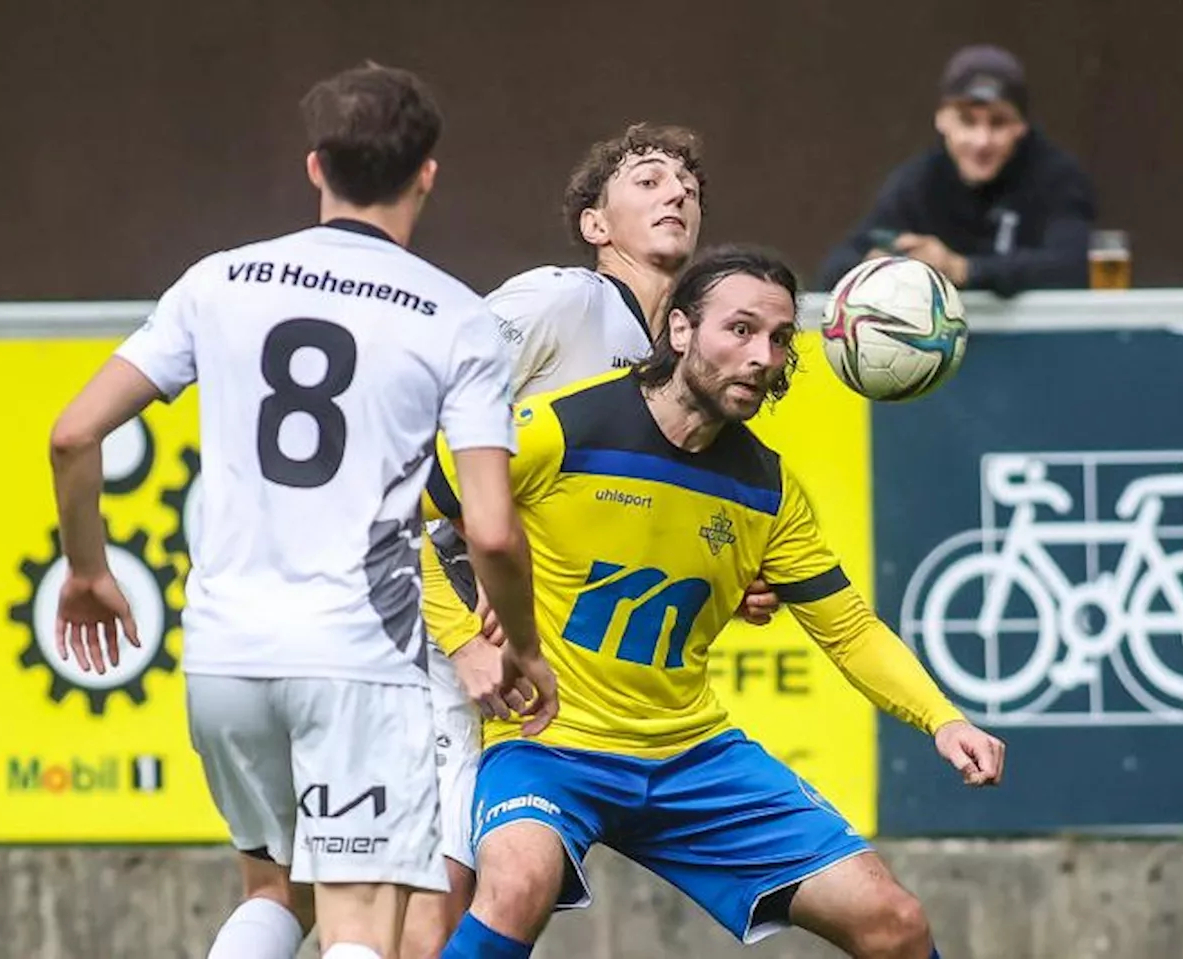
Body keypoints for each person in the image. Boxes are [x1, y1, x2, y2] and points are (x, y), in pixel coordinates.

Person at [47, 63, 556, 959]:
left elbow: (71, 433)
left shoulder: (218, 281)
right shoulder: (454, 316)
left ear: (315, 165)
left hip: (228, 652)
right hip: (361, 656)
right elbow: (490, 528)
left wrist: (89, 570)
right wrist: (520, 642)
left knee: (277, 891)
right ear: (428, 173)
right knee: (361, 923)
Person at [426, 245, 1007, 959]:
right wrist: (462, 639)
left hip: (689, 754)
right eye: (739, 330)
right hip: (549, 743)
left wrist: (942, 720)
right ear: (678, 330)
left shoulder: (767, 489)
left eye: (780, 338)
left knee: (894, 921)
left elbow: (850, 629)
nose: (762, 355)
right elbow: (396, 513)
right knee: (516, 886)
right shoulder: (559, 426)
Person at [402, 123, 778, 958]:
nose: (676, 192)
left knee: (437, 888)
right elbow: (421, 429)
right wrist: (463, 623)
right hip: (440, 625)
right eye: (647, 180)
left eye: (687, 185)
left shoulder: (669, 361)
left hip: (519, 648)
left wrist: (730, 577)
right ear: (595, 226)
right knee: (431, 888)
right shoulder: (561, 298)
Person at [816, 44, 1096, 298]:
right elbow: (834, 272)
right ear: (942, 120)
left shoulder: (1056, 177)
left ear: (1021, 126)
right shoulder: (918, 182)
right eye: (967, 122)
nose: (981, 141)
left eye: (997, 123)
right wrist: (880, 267)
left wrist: (962, 269)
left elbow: (1074, 267)